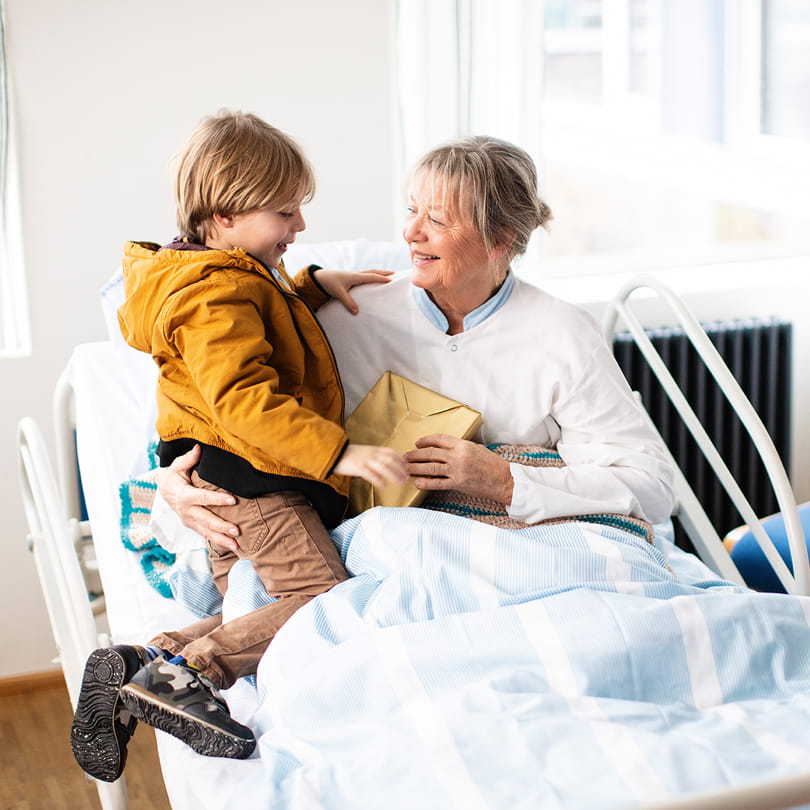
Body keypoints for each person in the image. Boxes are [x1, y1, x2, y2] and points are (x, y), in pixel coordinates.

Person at [69, 111, 408, 782]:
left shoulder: (205, 276)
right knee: (323, 598)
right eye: (285, 212)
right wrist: (337, 453)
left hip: (223, 483)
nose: (299, 226)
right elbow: (243, 400)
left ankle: (138, 662)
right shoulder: (218, 293)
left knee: (252, 609)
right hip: (257, 484)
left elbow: (256, 317)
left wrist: (311, 285)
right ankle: (190, 671)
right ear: (224, 216)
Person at [163, 135, 675, 552]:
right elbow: (227, 408)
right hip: (386, 550)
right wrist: (171, 484)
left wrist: (505, 481)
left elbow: (651, 487)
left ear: (500, 240)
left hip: (523, 551)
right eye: (412, 210)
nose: (410, 233)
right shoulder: (346, 315)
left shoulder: (561, 332)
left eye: (437, 220)